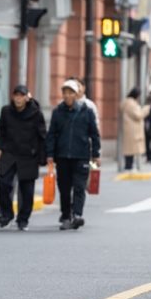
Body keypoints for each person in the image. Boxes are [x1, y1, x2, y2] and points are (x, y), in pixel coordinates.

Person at [45, 79, 101, 231]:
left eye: (71, 92)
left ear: (77, 94)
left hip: (81, 156)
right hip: (62, 156)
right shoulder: (57, 112)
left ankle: (77, 215)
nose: (68, 95)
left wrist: (96, 154)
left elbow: (94, 135)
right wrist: (50, 154)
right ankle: (65, 215)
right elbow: (52, 135)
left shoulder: (87, 112)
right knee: (64, 188)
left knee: (79, 187)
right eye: (65, 92)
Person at [0, 85, 47, 231]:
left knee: (27, 190)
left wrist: (43, 157)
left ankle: (23, 219)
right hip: (9, 153)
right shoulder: (6, 111)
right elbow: (1, 131)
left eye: (21, 95)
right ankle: (6, 214)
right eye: (16, 95)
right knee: (4, 183)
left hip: (28, 155)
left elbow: (42, 136)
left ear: (26, 97)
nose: (18, 98)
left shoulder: (36, 113)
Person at [120, 87, 150, 171]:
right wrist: (145, 110)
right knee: (131, 149)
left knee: (130, 149)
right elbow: (138, 115)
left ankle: (129, 166)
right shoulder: (131, 103)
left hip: (131, 129)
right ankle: (128, 166)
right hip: (132, 130)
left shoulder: (128, 102)